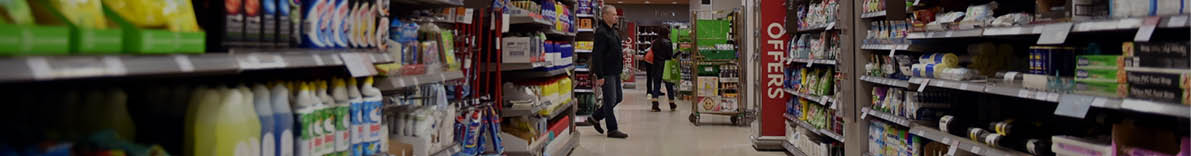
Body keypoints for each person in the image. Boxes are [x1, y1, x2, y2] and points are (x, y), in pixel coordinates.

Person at [586, 5, 628, 139]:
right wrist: (599, 75)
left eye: (616, 14)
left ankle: (595, 117)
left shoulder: (614, 31)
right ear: (605, 15)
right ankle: (612, 129)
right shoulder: (601, 32)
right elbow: (597, 55)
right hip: (607, 72)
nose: (616, 16)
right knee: (610, 101)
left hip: (615, 71)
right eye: (614, 14)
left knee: (618, 98)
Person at [648, 28, 676, 112]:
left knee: (656, 84)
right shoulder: (668, 42)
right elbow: (670, 54)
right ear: (666, 33)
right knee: (669, 85)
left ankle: (655, 104)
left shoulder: (655, 42)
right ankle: (672, 104)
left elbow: (653, 52)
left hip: (656, 65)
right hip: (666, 65)